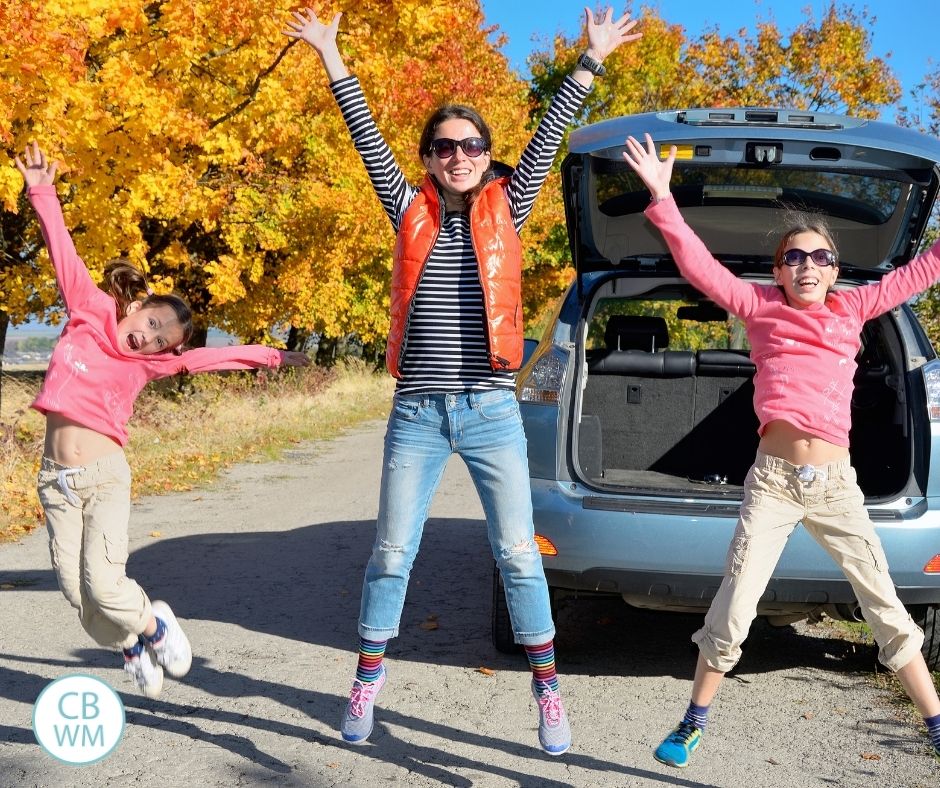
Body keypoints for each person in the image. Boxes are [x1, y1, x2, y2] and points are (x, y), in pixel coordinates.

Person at [284, 4, 640, 754]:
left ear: (486, 154)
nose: (460, 155)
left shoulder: (509, 205)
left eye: (472, 145)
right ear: (428, 157)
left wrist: (590, 58)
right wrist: (331, 54)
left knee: (516, 551)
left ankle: (546, 690)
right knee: (391, 551)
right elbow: (362, 135)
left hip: (488, 409)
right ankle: (367, 681)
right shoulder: (404, 206)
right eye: (445, 146)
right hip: (415, 411)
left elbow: (550, 134)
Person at [621, 132, 940, 767]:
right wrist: (661, 197)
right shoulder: (759, 308)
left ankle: (934, 727)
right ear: (777, 271)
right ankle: (692, 721)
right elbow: (698, 267)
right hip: (772, 482)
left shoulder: (855, 309)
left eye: (819, 258)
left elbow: (923, 269)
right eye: (794, 259)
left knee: (884, 606)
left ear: (835, 268)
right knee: (735, 604)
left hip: (837, 488)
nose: (808, 267)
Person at [15, 142, 310, 699]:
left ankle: (154, 625)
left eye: (160, 340)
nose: (147, 338)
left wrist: (270, 355)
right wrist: (41, 190)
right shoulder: (89, 308)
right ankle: (130, 645)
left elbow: (209, 358)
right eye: (150, 323)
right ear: (137, 305)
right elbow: (62, 250)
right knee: (79, 597)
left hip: (103, 477)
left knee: (104, 583)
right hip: (54, 480)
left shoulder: (148, 365)